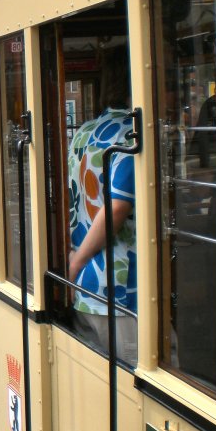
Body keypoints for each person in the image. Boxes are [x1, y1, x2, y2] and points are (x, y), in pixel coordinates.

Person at [67, 45, 137, 364]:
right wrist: (78, 260)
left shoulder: (83, 134)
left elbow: (72, 201)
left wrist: (75, 264)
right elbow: (117, 209)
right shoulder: (132, 135)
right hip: (123, 291)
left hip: (85, 290)